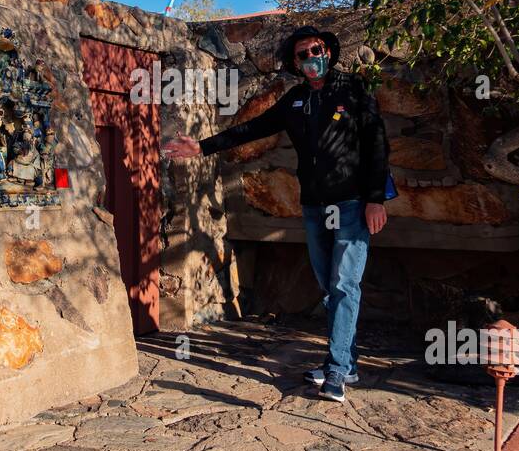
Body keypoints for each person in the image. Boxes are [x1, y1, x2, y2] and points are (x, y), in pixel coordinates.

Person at [163, 25, 389, 402]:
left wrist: (375, 198)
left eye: (316, 49)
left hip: (351, 205)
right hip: (315, 207)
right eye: (303, 54)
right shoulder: (296, 100)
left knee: (345, 284)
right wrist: (201, 148)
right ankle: (346, 363)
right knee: (329, 287)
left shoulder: (353, 92)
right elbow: (252, 128)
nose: (311, 57)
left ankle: (336, 373)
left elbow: (377, 144)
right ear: (296, 63)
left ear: (328, 52)